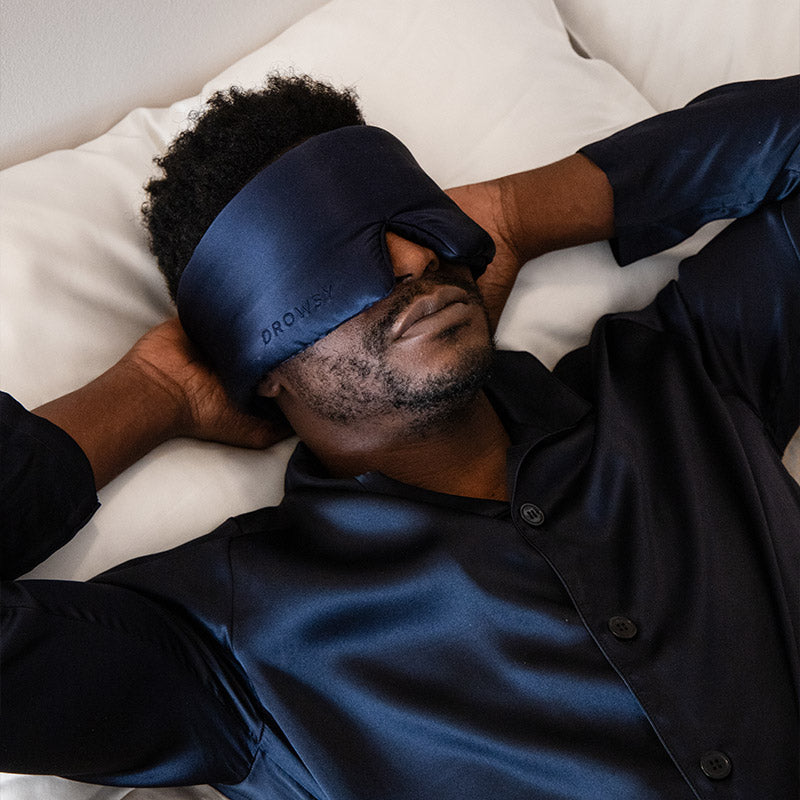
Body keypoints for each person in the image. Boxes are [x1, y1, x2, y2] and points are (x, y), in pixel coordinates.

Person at [1, 73, 798, 800]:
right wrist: (148, 394)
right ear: (255, 352)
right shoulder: (232, 645)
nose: (419, 257)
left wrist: (520, 213)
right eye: (331, 252)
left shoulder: (686, 376)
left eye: (415, 218)